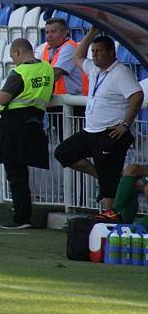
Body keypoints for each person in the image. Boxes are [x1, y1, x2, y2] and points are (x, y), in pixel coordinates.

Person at [54, 27, 144, 210]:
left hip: (110, 132)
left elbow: (137, 96)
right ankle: (106, 181)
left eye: (99, 51)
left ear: (111, 52)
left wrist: (125, 124)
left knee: (109, 178)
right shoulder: (95, 70)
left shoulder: (120, 72)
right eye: (93, 52)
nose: (94, 55)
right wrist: (92, 33)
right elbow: (77, 57)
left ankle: (109, 216)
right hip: (91, 131)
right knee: (63, 153)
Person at [0, 38, 54, 229]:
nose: (13, 60)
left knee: (15, 173)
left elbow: (3, 99)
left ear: (18, 52)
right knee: (22, 172)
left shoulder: (20, 72)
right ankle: (23, 215)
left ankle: (21, 217)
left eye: (13, 55)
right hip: (35, 123)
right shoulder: (46, 68)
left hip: (14, 126)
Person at [35, 18, 88, 97]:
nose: (49, 36)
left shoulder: (70, 47)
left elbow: (56, 73)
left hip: (73, 101)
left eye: (53, 32)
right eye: (47, 32)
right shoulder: (44, 48)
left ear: (64, 33)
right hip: (57, 99)